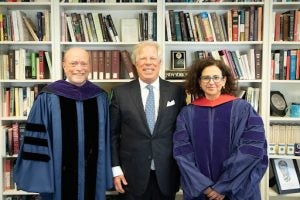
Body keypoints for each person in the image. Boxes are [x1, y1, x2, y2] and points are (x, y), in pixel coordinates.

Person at [14, 47, 113, 200]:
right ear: (64, 66)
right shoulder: (47, 97)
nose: (79, 68)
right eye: (73, 64)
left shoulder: (100, 97)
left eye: (83, 64)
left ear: (89, 66)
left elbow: (106, 140)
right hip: (58, 175)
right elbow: (36, 140)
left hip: (93, 175)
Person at [173, 57, 268, 200]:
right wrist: (204, 186)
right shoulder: (187, 113)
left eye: (216, 77)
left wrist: (223, 186)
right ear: (199, 82)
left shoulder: (243, 109)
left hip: (237, 189)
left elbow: (252, 150)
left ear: (224, 81)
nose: (211, 82)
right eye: (206, 78)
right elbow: (182, 153)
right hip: (201, 191)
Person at [110, 41, 186, 200]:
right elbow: (112, 135)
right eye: (143, 58)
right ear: (135, 63)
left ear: (159, 62)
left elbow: (183, 134)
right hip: (131, 175)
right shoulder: (120, 93)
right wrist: (116, 169)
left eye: (153, 58)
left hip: (166, 173)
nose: (148, 62)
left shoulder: (176, 92)